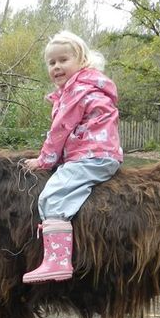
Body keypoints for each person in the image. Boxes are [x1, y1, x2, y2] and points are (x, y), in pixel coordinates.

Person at [22, 31, 122, 283]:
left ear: (82, 60)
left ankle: (57, 261)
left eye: (63, 60)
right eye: (51, 62)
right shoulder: (84, 87)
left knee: (53, 196)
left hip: (91, 156)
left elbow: (60, 130)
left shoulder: (76, 91)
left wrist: (44, 160)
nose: (56, 66)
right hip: (98, 153)